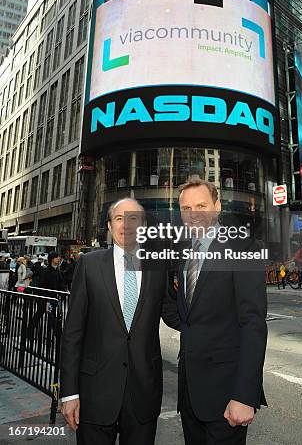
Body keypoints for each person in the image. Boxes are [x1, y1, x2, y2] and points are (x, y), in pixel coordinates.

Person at [60, 197, 179, 445]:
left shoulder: (158, 267)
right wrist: (69, 393)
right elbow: (73, 333)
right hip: (94, 393)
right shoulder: (88, 264)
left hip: (143, 394)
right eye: (119, 218)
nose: (126, 225)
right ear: (110, 226)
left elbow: (174, 315)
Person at [175, 180, 267, 445]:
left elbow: (253, 324)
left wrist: (244, 396)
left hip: (226, 397)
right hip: (190, 396)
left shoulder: (244, 247)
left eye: (201, 206)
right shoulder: (184, 252)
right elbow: (188, 317)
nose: (193, 213)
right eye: (186, 208)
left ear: (217, 207)